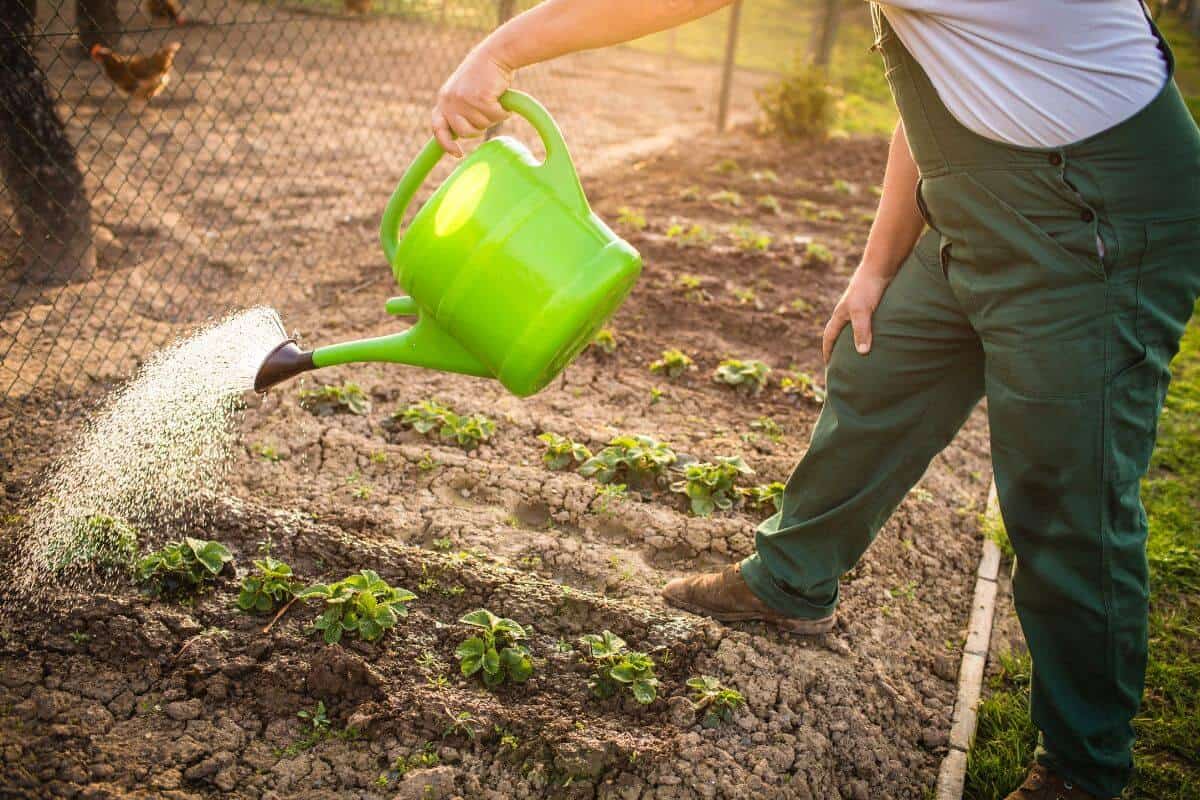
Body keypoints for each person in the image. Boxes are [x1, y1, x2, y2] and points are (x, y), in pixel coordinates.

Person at [431, 3, 1200, 799]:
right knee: (883, 368)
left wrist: (500, 50)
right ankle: (791, 581)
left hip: (1091, 219)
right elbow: (935, 89)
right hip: (983, 202)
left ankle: (1083, 766)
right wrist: (875, 267)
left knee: (1066, 497)